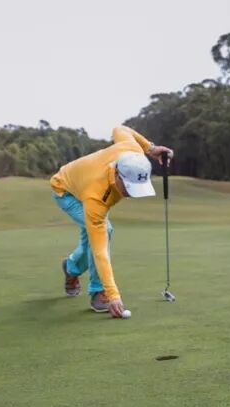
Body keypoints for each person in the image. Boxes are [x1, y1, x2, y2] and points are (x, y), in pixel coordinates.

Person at [51, 126, 173, 318]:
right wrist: (113, 294)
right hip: (65, 191)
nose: (131, 195)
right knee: (103, 232)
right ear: (117, 175)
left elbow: (120, 129)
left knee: (90, 238)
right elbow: (100, 251)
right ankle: (99, 291)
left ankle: (71, 267)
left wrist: (150, 148)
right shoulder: (96, 197)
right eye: (128, 188)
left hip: (82, 183)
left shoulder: (132, 149)